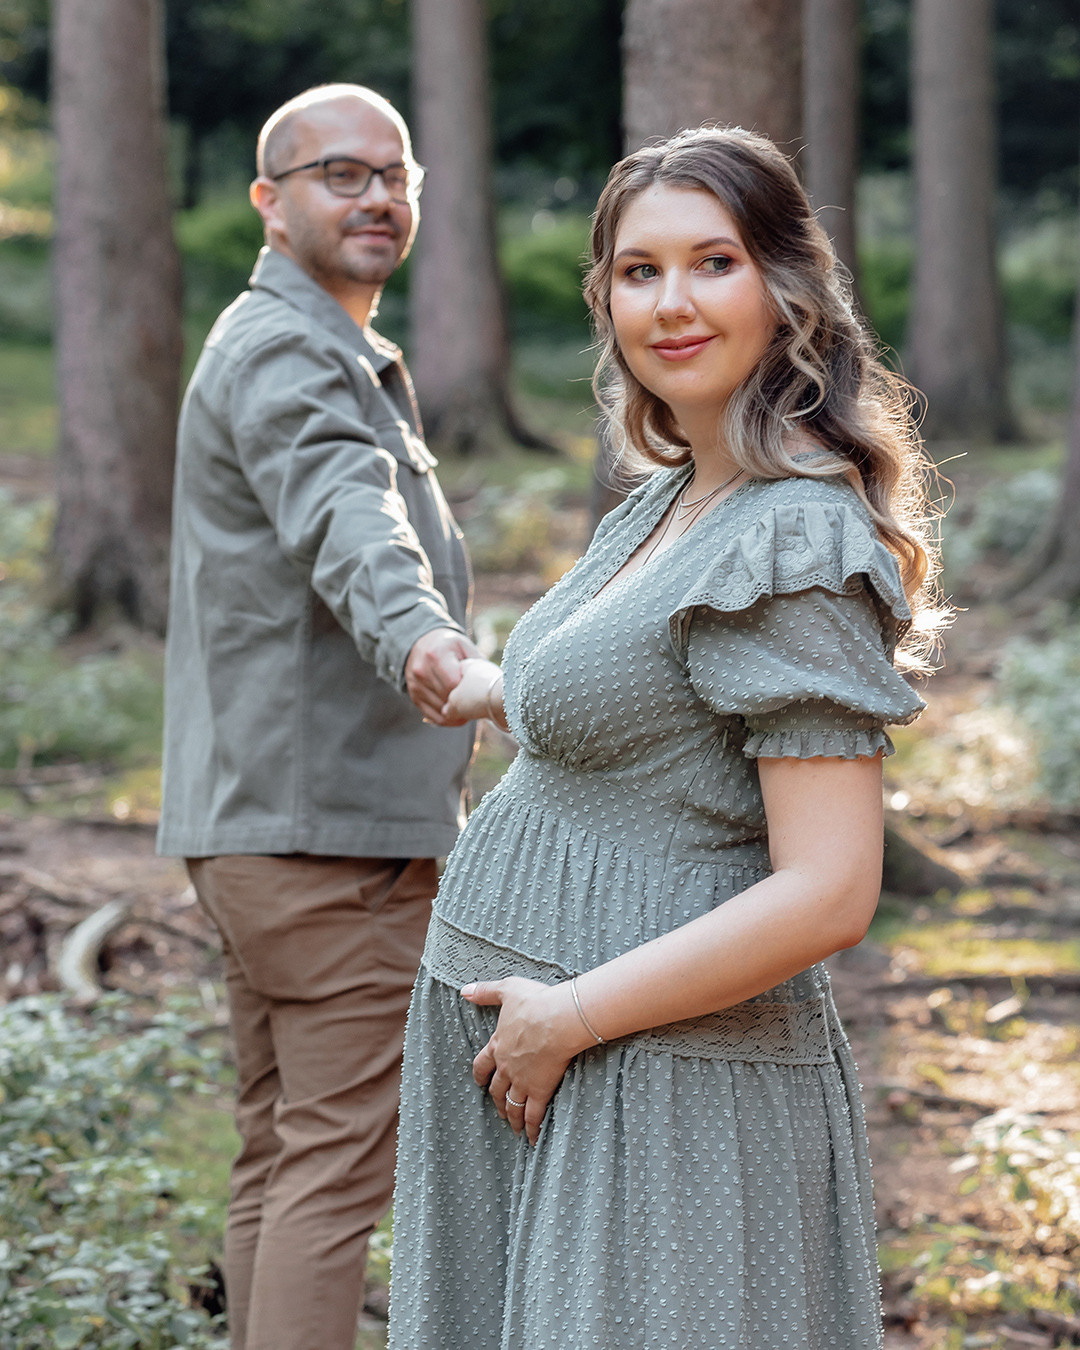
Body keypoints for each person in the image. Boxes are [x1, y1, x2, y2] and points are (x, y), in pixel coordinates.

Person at [387, 125, 945, 1350]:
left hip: (653, 1087)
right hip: (545, 1073)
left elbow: (832, 890)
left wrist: (570, 1017)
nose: (672, 303)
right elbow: (652, 703)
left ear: (786, 287)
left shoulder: (793, 538)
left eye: (714, 262)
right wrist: (496, 686)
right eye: (639, 272)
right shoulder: (677, 496)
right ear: (605, 300)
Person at [157, 84, 480, 1350]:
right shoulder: (293, 351)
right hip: (326, 844)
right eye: (340, 175)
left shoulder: (286, 338)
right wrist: (427, 645)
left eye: (395, 177)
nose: (377, 199)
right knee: (336, 1173)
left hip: (262, 827)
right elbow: (352, 515)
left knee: (283, 1155)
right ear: (268, 200)